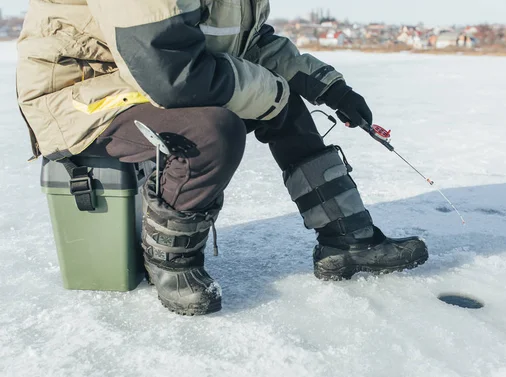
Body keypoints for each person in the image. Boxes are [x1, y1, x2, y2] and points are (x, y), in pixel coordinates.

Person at [17, 0, 429, 316]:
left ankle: (347, 240)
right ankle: (170, 262)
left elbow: (252, 45)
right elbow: (170, 72)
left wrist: (328, 87)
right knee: (211, 132)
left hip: (142, 81)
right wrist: (274, 96)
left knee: (284, 104)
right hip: (80, 96)